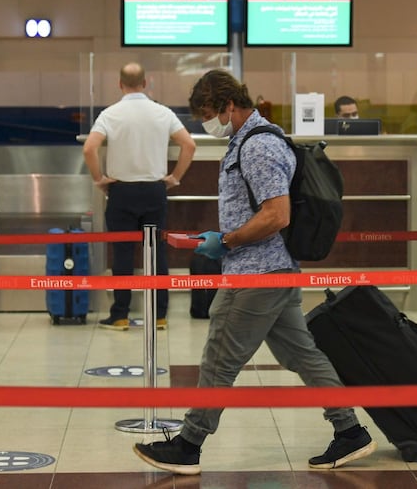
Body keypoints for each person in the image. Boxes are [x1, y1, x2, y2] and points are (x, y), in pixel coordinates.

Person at [133, 70, 376, 475]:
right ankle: (350, 431)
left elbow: (276, 215)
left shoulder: (258, 146)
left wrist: (226, 242)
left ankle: (189, 445)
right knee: (302, 354)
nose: (207, 124)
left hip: (257, 274)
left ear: (230, 105)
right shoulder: (249, 141)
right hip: (271, 270)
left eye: (211, 114)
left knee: (219, 357)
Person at [82, 62, 196, 331]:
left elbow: (89, 149)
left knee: (121, 254)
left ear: (120, 84)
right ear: (146, 83)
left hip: (121, 191)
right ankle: (159, 315)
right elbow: (188, 144)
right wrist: (174, 177)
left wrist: (99, 179)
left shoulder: (110, 114)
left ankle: (120, 314)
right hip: (154, 190)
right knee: (156, 252)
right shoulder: (163, 113)